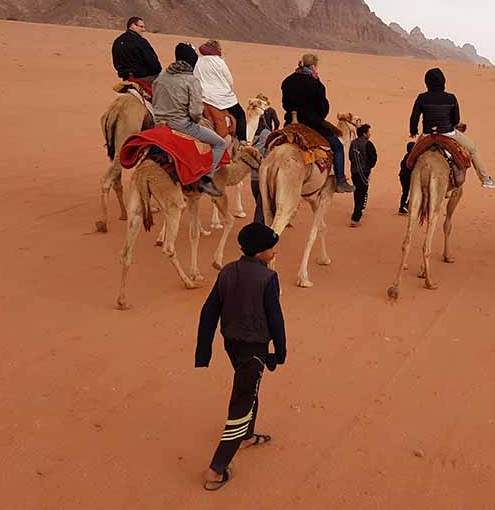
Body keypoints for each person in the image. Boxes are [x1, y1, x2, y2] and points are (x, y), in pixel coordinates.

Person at [195, 223, 286, 492]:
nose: (274, 250)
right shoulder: (268, 278)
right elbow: (276, 319)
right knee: (242, 403)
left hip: (232, 345)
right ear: (260, 252)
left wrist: (204, 351)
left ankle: (246, 435)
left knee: (250, 387)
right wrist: (279, 352)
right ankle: (216, 469)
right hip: (254, 349)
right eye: (271, 247)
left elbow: (209, 312)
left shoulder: (227, 271)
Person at [151, 44, 226, 197]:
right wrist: (195, 120)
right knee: (220, 143)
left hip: (158, 124)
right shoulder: (191, 80)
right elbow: (196, 111)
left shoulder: (161, 77)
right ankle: (206, 179)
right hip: (181, 125)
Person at [409, 68, 495, 189]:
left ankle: (410, 190)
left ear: (427, 82)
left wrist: (413, 131)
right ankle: (485, 179)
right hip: (448, 134)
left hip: (427, 135)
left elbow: (414, 118)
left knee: (411, 158)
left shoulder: (421, 98)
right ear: (443, 82)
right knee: (472, 149)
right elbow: (456, 120)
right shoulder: (451, 98)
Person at [281, 54, 353, 193]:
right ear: (314, 66)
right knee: (337, 147)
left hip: (290, 122)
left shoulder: (287, 81)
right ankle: (340, 180)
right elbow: (323, 109)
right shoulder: (316, 84)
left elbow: (285, 104)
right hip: (312, 124)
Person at [194, 40, 248, 142]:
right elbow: (229, 80)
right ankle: (243, 142)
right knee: (240, 115)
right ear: (217, 49)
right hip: (222, 98)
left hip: (203, 97)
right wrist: (228, 92)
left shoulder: (198, 61)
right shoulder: (219, 62)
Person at [111, 16, 162, 85]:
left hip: (125, 77)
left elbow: (116, 63)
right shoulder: (141, 41)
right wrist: (157, 71)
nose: (143, 29)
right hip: (143, 77)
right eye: (141, 26)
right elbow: (153, 62)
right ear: (133, 25)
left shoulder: (117, 41)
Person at [348, 123, 377, 227]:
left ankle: (357, 211)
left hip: (354, 171)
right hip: (364, 172)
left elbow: (350, 157)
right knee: (362, 194)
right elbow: (373, 159)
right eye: (369, 132)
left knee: (357, 193)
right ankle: (355, 218)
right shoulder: (368, 144)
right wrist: (368, 166)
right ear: (364, 134)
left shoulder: (353, 143)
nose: (370, 134)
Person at [398, 141, 414, 215]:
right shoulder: (412, 158)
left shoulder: (406, 156)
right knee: (413, 192)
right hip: (409, 177)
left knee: (405, 192)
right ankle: (407, 206)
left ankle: (401, 208)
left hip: (403, 176)